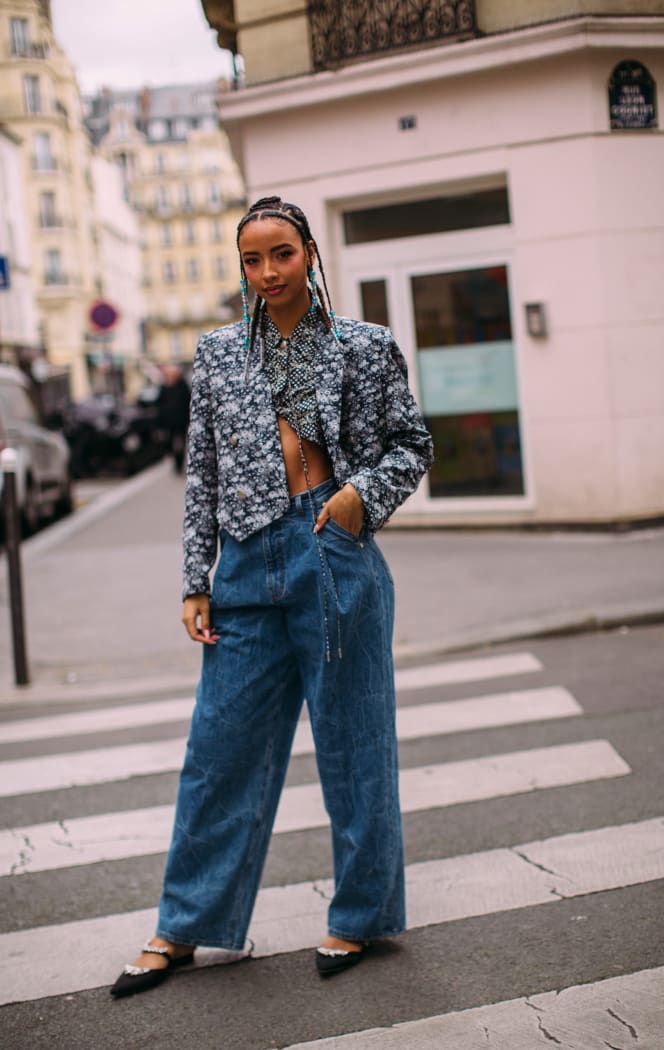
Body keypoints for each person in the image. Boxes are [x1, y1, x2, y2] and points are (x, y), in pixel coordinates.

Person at [110, 196, 433, 998]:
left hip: (332, 549)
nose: (267, 273)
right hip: (247, 565)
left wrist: (360, 495)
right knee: (217, 755)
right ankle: (184, 926)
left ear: (310, 252)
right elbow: (204, 477)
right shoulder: (218, 354)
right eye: (251, 260)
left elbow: (410, 443)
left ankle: (359, 915)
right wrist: (195, 578)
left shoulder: (365, 346)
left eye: (280, 254)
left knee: (356, 746)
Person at [157, 363, 191, 473]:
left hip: (180, 420)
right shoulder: (164, 387)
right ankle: (175, 461)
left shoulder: (182, 386)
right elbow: (160, 404)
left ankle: (179, 464)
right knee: (170, 442)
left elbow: (188, 401)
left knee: (180, 442)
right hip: (169, 421)